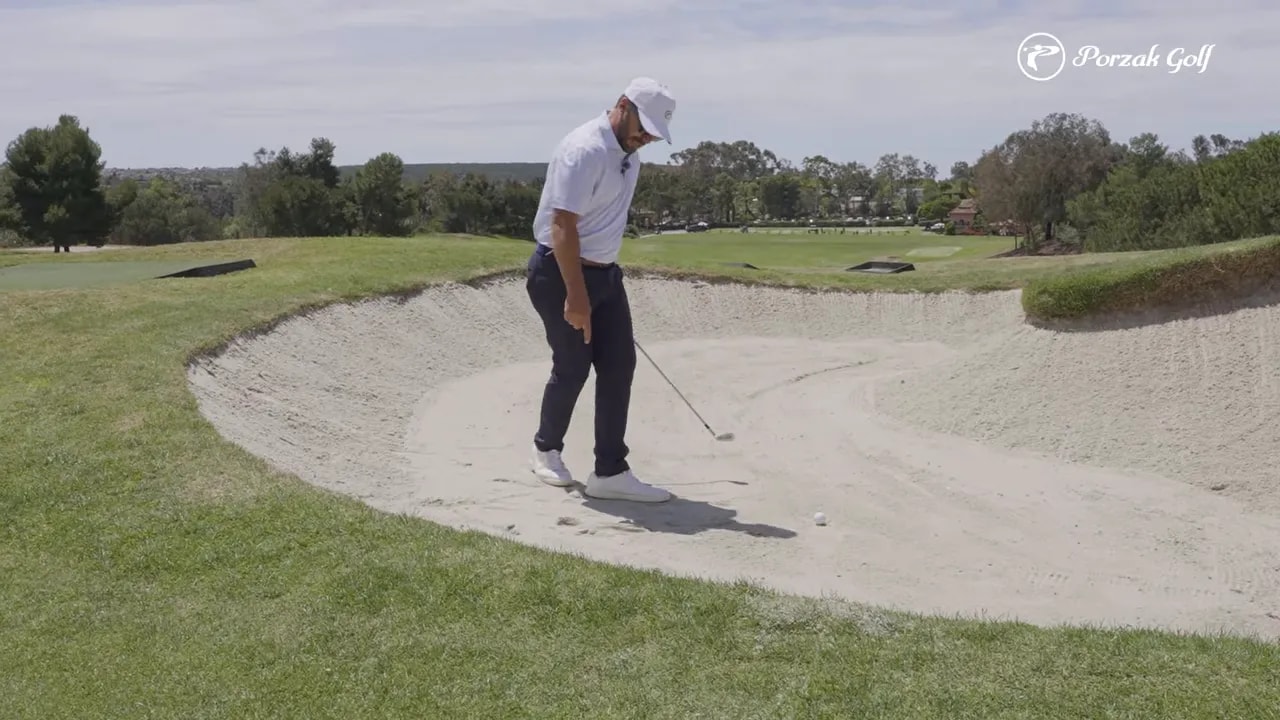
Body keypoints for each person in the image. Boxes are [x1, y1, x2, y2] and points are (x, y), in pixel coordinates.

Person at [524, 77, 677, 503]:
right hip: (560, 272)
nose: (646, 138)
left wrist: (603, 280)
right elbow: (562, 226)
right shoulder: (584, 149)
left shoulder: (630, 156)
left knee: (619, 366)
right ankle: (546, 451)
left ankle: (610, 471)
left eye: (653, 133)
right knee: (573, 365)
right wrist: (576, 295)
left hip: (605, 275)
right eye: (643, 127)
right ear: (623, 105)